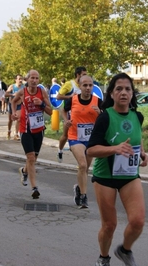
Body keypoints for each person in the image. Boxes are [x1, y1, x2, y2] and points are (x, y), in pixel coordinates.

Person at [87, 73, 148, 266]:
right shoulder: (105, 118)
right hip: (105, 176)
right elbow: (91, 149)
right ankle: (104, 257)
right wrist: (115, 148)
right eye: (119, 89)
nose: (123, 92)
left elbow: (137, 139)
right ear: (112, 94)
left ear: (132, 94)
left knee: (138, 221)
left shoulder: (138, 116)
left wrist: (143, 154)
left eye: (128, 89)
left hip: (129, 176)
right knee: (109, 225)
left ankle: (124, 250)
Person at [61, 75, 102, 209]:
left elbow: (107, 118)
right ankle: (84, 197)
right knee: (83, 165)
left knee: (85, 169)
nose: (88, 88)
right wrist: (65, 120)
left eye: (90, 85)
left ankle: (79, 188)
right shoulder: (73, 100)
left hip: (91, 139)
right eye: (85, 85)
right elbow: (63, 110)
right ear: (80, 87)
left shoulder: (97, 101)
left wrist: (101, 112)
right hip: (75, 137)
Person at [11, 70, 52, 199]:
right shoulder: (22, 92)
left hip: (39, 129)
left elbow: (51, 111)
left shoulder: (42, 92)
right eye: (32, 78)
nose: (34, 80)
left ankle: (24, 171)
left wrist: (42, 104)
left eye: (36, 78)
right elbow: (13, 101)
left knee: (33, 158)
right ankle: (34, 188)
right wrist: (14, 113)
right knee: (31, 157)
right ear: (27, 80)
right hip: (25, 129)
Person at [56, 66, 87, 163]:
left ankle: (77, 151)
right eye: (83, 75)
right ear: (78, 75)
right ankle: (60, 150)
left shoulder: (85, 85)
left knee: (81, 136)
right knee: (65, 135)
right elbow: (58, 96)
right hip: (69, 114)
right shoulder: (69, 84)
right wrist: (70, 96)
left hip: (81, 115)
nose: (85, 76)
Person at [5, 74, 25, 140]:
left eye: (21, 79)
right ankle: (9, 131)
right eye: (19, 79)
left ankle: (16, 134)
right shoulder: (12, 86)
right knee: (10, 120)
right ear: (15, 80)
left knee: (19, 119)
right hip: (12, 104)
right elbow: (6, 94)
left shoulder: (23, 87)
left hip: (19, 105)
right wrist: (13, 94)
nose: (20, 80)